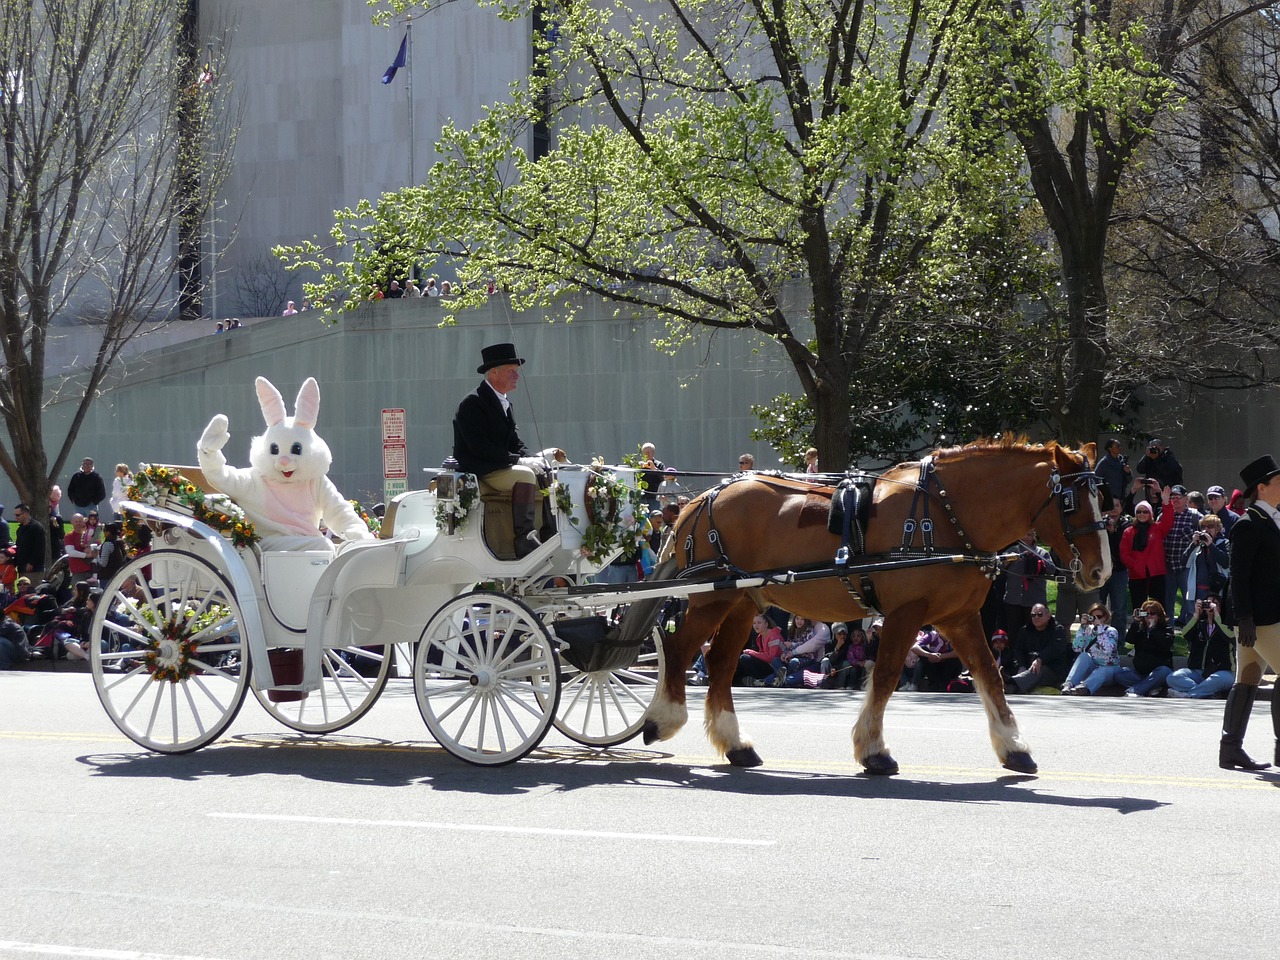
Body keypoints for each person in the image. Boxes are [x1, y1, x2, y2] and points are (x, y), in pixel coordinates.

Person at [452, 343, 557, 558]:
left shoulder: (504, 403)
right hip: (482, 468)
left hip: (500, 465)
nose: (517, 376)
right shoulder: (473, 403)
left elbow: (514, 442)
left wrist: (532, 457)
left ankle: (549, 533)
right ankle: (523, 540)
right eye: (512, 371)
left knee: (546, 471)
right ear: (493, 373)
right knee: (527, 474)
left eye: (516, 372)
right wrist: (516, 461)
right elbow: (479, 447)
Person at [1218, 454, 1280, 771]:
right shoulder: (1248, 524)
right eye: (1278, 481)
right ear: (1262, 487)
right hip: (1261, 618)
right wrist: (1244, 618)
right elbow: (1238, 576)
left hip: (1263, 616)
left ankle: (1230, 750)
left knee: (1247, 679)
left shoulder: (1271, 520)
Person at [1166, 596, 1235, 699]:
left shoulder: (1227, 625)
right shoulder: (1199, 625)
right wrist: (1196, 615)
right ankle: (1205, 692)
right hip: (1198, 671)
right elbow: (1185, 634)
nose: (1211, 605)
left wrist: (1216, 617)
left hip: (1224, 671)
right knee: (1172, 677)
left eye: (1215, 603)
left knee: (1216, 679)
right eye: (1208, 602)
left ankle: (1189, 695)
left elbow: (1230, 636)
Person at [1118, 489, 1174, 609]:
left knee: (1158, 607)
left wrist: (1166, 503)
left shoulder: (1157, 528)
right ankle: (1140, 627)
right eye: (1139, 511)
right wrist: (1135, 565)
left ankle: (1158, 627)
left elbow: (1168, 519)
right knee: (1139, 607)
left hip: (1156, 573)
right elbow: (1124, 554)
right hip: (1137, 575)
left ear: (1150, 514)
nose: (1142, 514)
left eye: (1145, 511)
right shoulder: (1129, 532)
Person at [1115, 600, 1176, 697]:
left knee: (1163, 671)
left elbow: (1165, 644)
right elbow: (1129, 639)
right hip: (1141, 672)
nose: (1149, 616)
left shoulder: (1166, 629)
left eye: (1152, 614)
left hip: (1159, 671)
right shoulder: (1140, 629)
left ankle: (1135, 691)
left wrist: (1152, 630)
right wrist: (1135, 622)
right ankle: (1150, 687)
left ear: (1159, 616)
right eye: (1146, 614)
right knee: (1119, 673)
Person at [1162, 484, 1203, 624]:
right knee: (1167, 606)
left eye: (1178, 497)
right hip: (1168, 567)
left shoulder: (1195, 516)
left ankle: (1192, 638)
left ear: (1186, 498)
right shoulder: (1164, 515)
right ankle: (1168, 637)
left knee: (1190, 604)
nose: (1175, 500)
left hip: (1188, 568)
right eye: (1172, 497)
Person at [1009, 603, 1073, 693]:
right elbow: (1018, 649)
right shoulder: (1025, 630)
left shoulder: (1058, 630)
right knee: (1028, 670)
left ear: (1048, 616)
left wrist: (1040, 659)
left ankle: (1010, 682)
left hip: (1053, 670)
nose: (1036, 617)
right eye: (1033, 615)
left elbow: (1055, 649)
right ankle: (1012, 686)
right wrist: (1021, 665)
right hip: (1028, 668)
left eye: (1040, 614)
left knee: (1038, 670)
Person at [1062, 604, 1121, 694]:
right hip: (1092, 668)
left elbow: (1108, 650)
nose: (1096, 619)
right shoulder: (1088, 631)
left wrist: (1100, 630)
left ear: (1105, 617)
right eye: (1093, 617)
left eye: (1099, 617)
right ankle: (1069, 684)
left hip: (1109, 670)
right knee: (1084, 655)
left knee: (1102, 670)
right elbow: (1076, 647)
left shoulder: (1111, 631)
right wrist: (1082, 628)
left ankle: (1085, 688)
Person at [1003, 532, 1049, 636]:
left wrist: (1039, 561)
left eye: (1029, 535)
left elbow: (1052, 569)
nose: (1026, 538)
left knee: (1034, 632)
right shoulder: (1012, 551)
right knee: (1014, 632)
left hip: (1034, 601)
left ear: (1034, 536)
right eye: (1023, 535)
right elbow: (999, 568)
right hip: (1013, 599)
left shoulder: (1042, 553)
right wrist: (1008, 560)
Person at [1185, 514, 1229, 605]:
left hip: (1217, 589)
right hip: (1199, 590)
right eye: (1203, 527)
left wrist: (1211, 545)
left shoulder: (1224, 543)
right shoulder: (1198, 544)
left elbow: (1225, 562)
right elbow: (1184, 561)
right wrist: (1193, 544)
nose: (1206, 530)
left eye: (1210, 526)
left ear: (1218, 529)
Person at [735, 613, 785, 686]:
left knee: (745, 658)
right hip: (768, 664)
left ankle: (761, 681)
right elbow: (762, 655)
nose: (756, 625)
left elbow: (771, 657)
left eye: (759, 623)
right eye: (754, 623)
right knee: (744, 658)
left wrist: (751, 652)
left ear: (766, 624)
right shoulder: (760, 636)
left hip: (776, 665)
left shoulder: (773, 635)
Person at [1095, 438, 1133, 511]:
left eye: (1120, 446)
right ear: (1110, 448)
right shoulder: (1104, 463)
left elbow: (1129, 480)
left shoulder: (1122, 462)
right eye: (1117, 446)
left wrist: (1128, 472)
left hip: (1121, 497)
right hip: (1108, 498)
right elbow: (1096, 478)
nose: (1120, 448)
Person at [12, 504, 45, 577]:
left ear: (26, 514)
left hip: (33, 569)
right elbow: (19, 547)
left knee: (32, 587)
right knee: (22, 587)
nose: (16, 518)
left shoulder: (36, 527)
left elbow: (40, 548)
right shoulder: (20, 530)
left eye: (18, 515)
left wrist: (31, 563)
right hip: (22, 567)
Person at [62, 514, 95, 585]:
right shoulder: (69, 536)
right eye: (76, 521)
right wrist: (86, 555)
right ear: (72, 522)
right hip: (78, 572)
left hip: (91, 571)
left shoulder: (88, 535)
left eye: (80, 521)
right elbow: (70, 552)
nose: (78, 524)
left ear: (84, 522)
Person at [637, 443, 665, 508]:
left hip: (654, 497)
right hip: (642, 497)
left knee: (655, 516)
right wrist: (637, 468)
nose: (646, 455)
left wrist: (655, 469)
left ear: (653, 453)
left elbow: (664, 478)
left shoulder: (659, 464)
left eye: (648, 452)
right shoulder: (638, 465)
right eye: (645, 453)